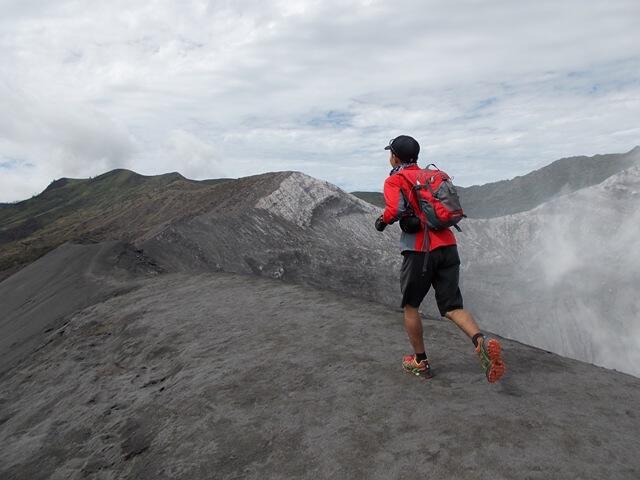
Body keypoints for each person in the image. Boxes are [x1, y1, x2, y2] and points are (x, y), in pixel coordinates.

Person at [375, 135, 505, 383]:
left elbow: (394, 210)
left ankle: (420, 362)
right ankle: (481, 342)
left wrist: (381, 222)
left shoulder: (395, 179)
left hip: (420, 252)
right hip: (448, 246)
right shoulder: (430, 176)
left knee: (411, 306)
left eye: (390, 153)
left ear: (395, 156)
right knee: (452, 306)